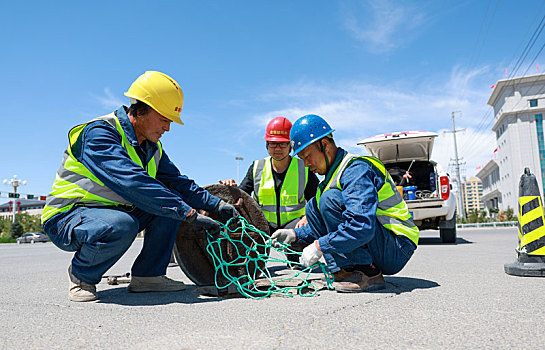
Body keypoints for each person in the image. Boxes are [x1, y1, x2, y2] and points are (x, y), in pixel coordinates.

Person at [41, 71, 239, 302]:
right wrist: (188, 213)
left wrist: (217, 204)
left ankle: (149, 276)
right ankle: (82, 276)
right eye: (164, 119)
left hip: (113, 212)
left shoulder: (152, 148)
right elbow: (133, 182)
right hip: (68, 216)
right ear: (142, 109)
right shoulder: (100, 134)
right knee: (129, 222)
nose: (167, 128)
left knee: (171, 198)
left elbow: (178, 182)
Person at [270, 114, 419, 292]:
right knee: (313, 206)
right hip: (382, 241)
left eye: (307, 156)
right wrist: (294, 235)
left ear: (324, 145)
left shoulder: (356, 170)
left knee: (328, 199)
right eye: (302, 159)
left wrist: (319, 246)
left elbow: (361, 225)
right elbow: (325, 223)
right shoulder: (330, 178)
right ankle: (348, 270)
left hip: (397, 245)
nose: (306, 164)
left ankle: (366, 273)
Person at [220, 117, 319, 260]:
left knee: (298, 262)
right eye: (273, 144)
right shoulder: (257, 168)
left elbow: (318, 198)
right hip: (262, 225)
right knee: (255, 264)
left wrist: (307, 217)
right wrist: (231, 188)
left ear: (291, 146)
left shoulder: (303, 168)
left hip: (293, 226)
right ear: (267, 145)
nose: (277, 149)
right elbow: (241, 197)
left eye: (282, 144)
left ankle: (296, 257)